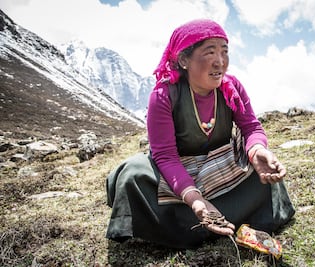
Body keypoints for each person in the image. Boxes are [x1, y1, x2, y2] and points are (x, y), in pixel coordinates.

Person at [105, 19, 295, 248]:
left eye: (225, 52)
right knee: (133, 176)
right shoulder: (164, 95)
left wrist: (257, 150)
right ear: (184, 60)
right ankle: (204, 216)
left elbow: (250, 127)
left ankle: (196, 225)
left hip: (220, 166)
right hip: (178, 170)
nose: (220, 61)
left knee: (261, 171)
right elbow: (165, 156)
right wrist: (195, 199)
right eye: (210, 52)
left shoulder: (232, 88)